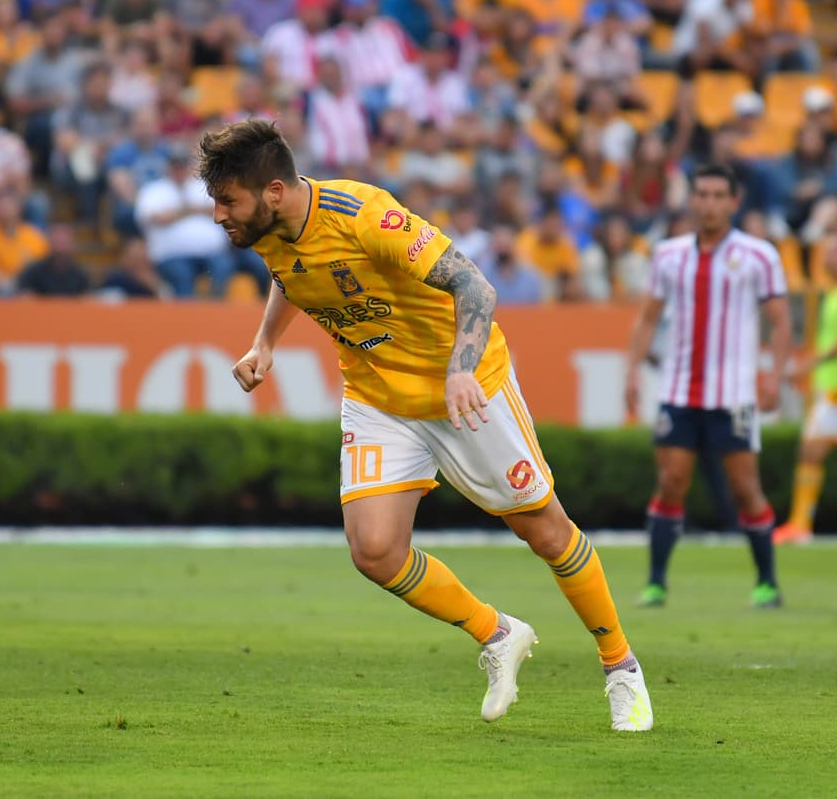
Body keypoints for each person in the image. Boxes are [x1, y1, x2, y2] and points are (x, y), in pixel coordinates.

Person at [197, 120, 652, 732]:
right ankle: (498, 634)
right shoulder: (269, 231)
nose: (219, 215)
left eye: (227, 202)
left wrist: (461, 370)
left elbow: (474, 285)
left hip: (465, 388)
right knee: (375, 551)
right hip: (378, 393)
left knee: (544, 532)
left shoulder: (365, 216)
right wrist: (265, 343)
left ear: (273, 190)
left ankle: (621, 668)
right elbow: (293, 278)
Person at [625, 164, 791, 609]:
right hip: (679, 392)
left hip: (733, 394)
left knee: (744, 489)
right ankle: (657, 582)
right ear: (692, 200)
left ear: (734, 203)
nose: (710, 203)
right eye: (703, 194)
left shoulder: (759, 255)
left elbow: (779, 320)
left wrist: (773, 375)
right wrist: (632, 372)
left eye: (720, 195)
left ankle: (767, 582)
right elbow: (647, 317)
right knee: (671, 481)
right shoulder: (669, 254)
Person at [776, 235, 837, 544]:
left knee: (811, 451)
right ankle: (800, 524)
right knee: (811, 452)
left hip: (833, 390)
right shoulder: (830, 294)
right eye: (828, 253)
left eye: (834, 253)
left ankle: (801, 523)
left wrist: (806, 365)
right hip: (829, 388)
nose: (829, 258)